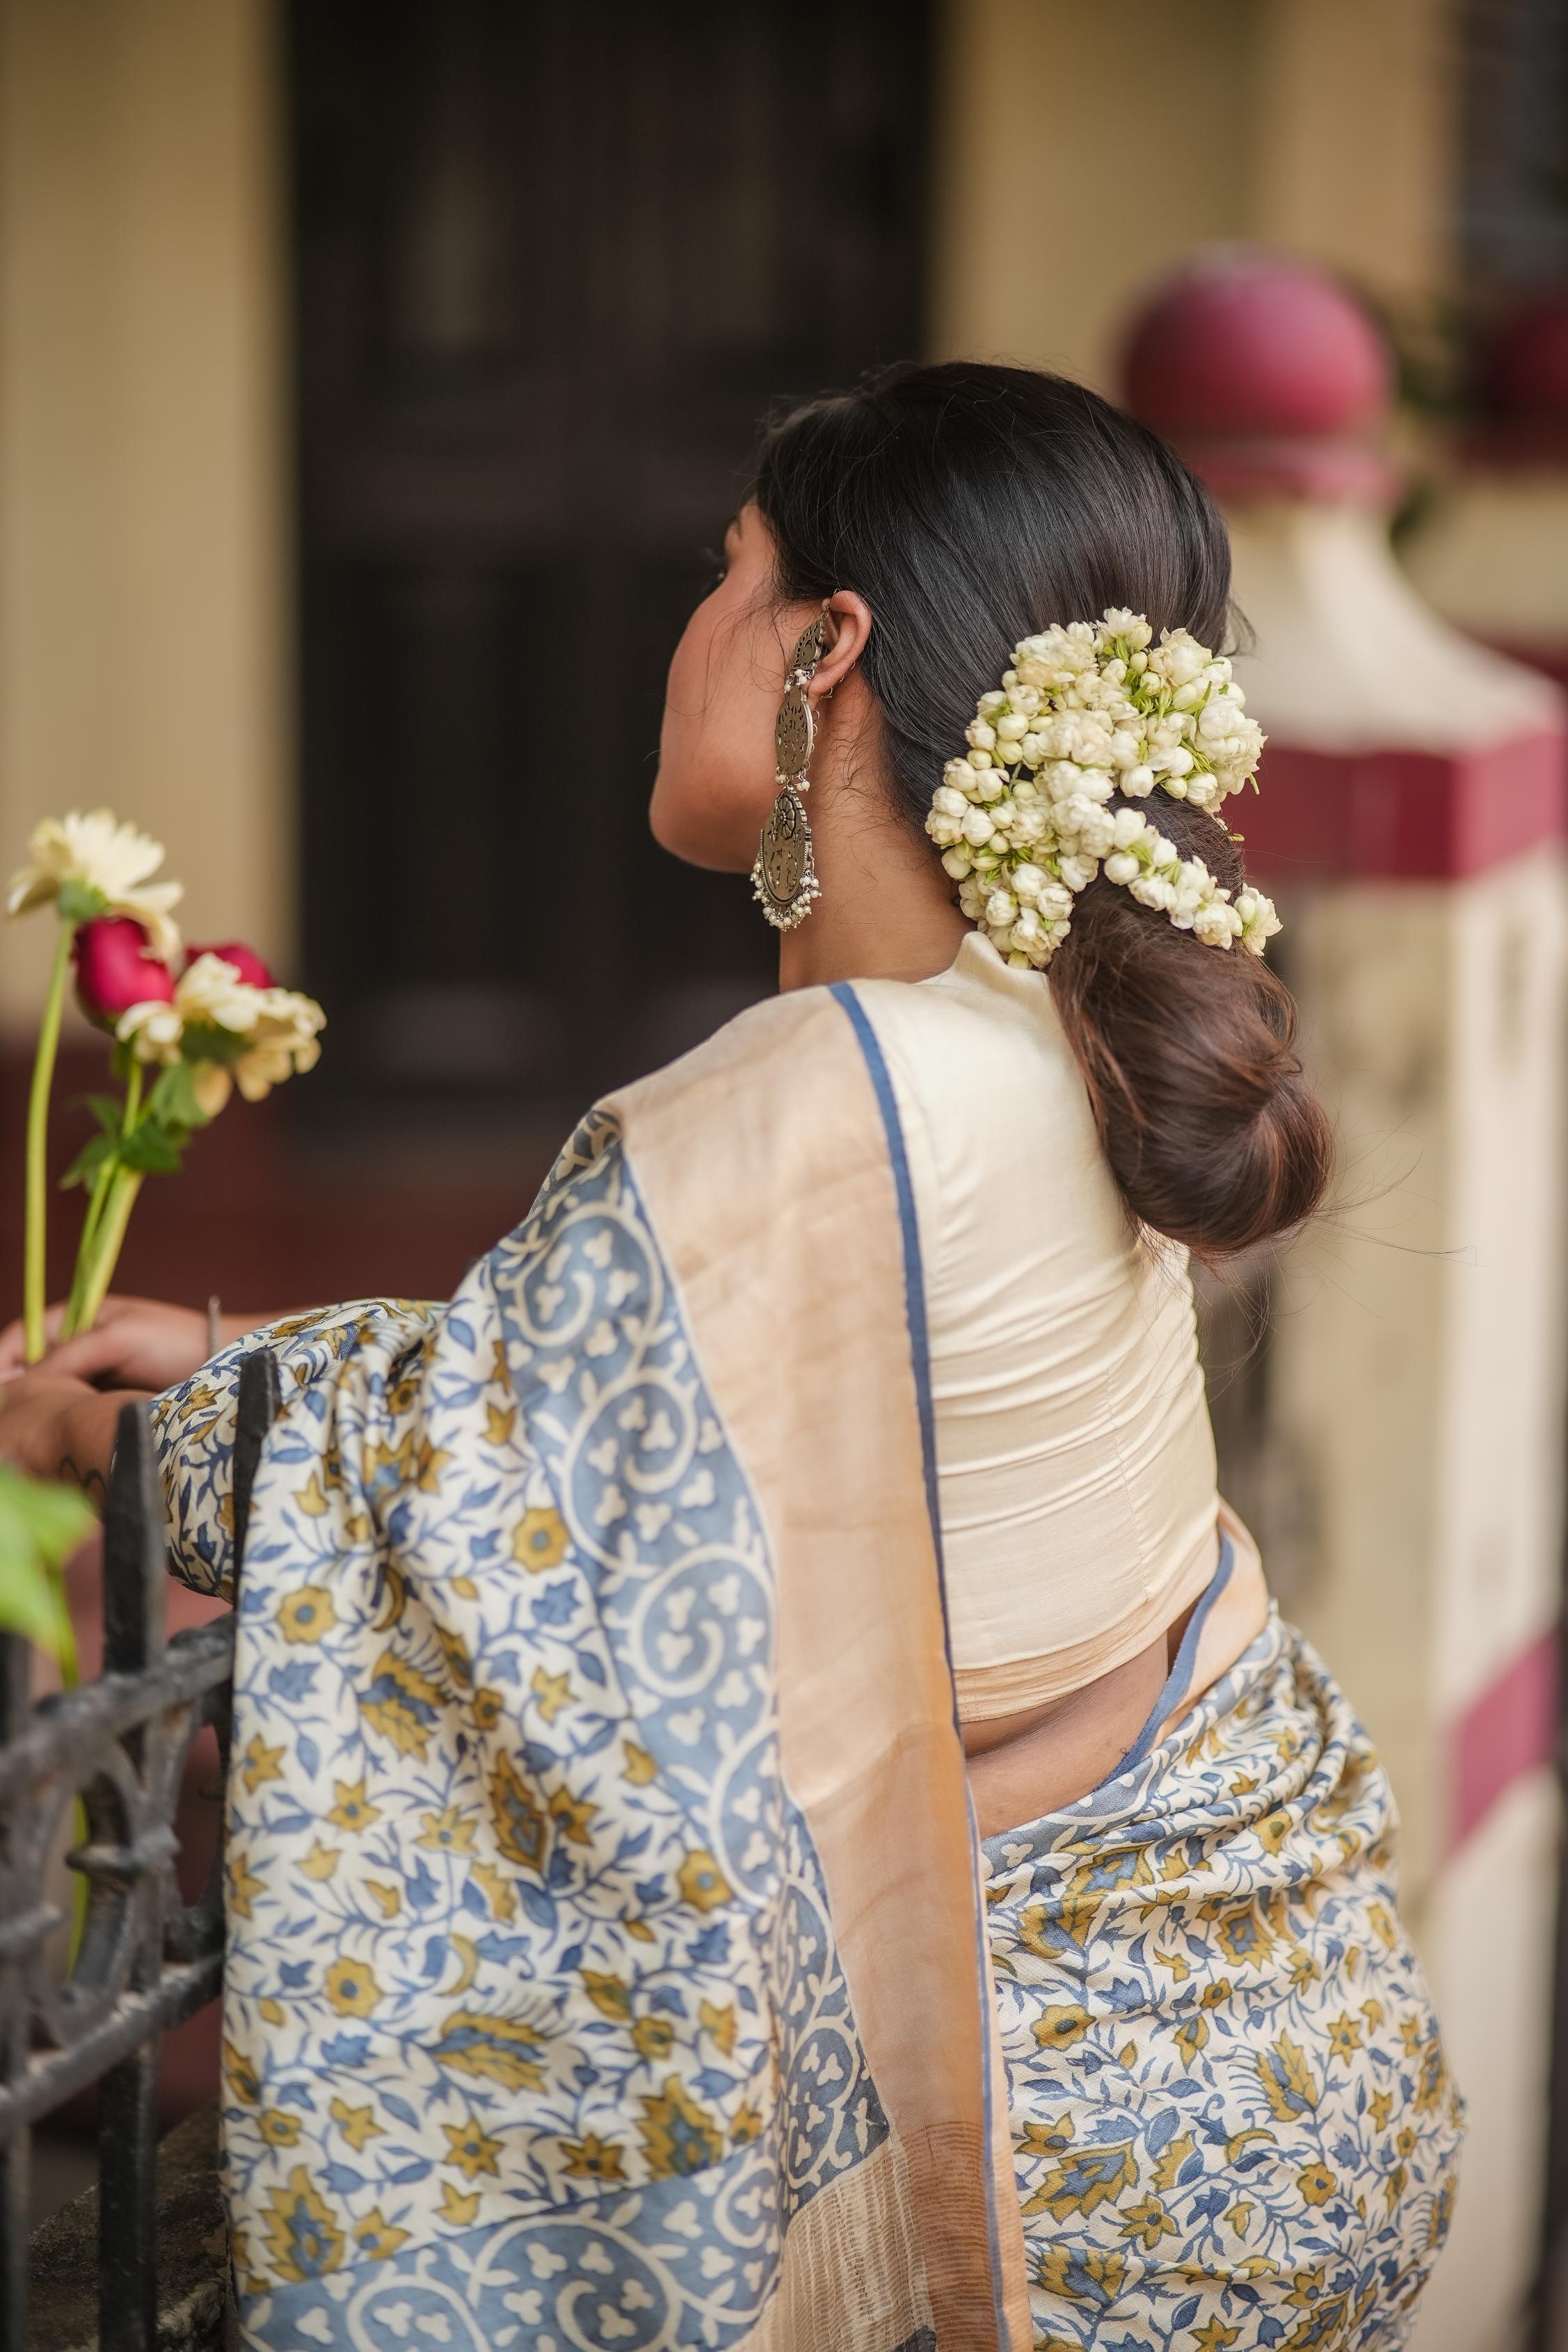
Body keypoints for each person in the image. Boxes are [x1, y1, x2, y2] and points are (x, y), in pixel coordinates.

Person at [1, 362, 1461, 2352]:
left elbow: (505, 1509)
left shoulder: (805, 1099)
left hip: (1060, 2199)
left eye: (730, 569)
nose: (690, 625)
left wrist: (163, 1433)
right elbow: (704, 1403)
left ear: (827, 644)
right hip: (1285, 2070)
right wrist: (255, 1345)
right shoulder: (1051, 1033)